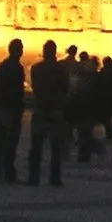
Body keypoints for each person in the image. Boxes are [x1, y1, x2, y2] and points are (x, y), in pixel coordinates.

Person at [26, 40, 69, 187]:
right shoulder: (62, 70)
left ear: (44, 52)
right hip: (56, 109)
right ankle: (55, 178)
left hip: (40, 108)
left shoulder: (36, 69)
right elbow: (65, 88)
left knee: (36, 145)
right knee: (56, 146)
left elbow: (35, 87)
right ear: (55, 52)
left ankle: (33, 177)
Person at [0, 39, 26, 183]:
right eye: (21, 48)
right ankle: (8, 170)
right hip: (12, 107)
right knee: (10, 140)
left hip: (2, 106)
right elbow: (17, 89)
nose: (22, 51)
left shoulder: (4, 65)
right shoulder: (16, 67)